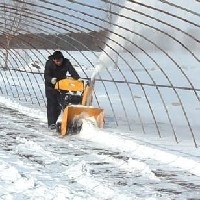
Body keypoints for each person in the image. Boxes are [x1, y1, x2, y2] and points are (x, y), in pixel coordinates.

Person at [44, 51, 80, 129]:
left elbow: (72, 71)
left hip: (62, 86)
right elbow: (46, 75)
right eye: (57, 61)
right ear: (53, 60)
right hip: (51, 86)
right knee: (52, 105)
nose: (59, 62)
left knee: (63, 103)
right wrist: (51, 79)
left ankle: (69, 121)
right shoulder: (49, 63)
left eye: (60, 60)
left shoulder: (66, 62)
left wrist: (78, 78)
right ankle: (51, 123)